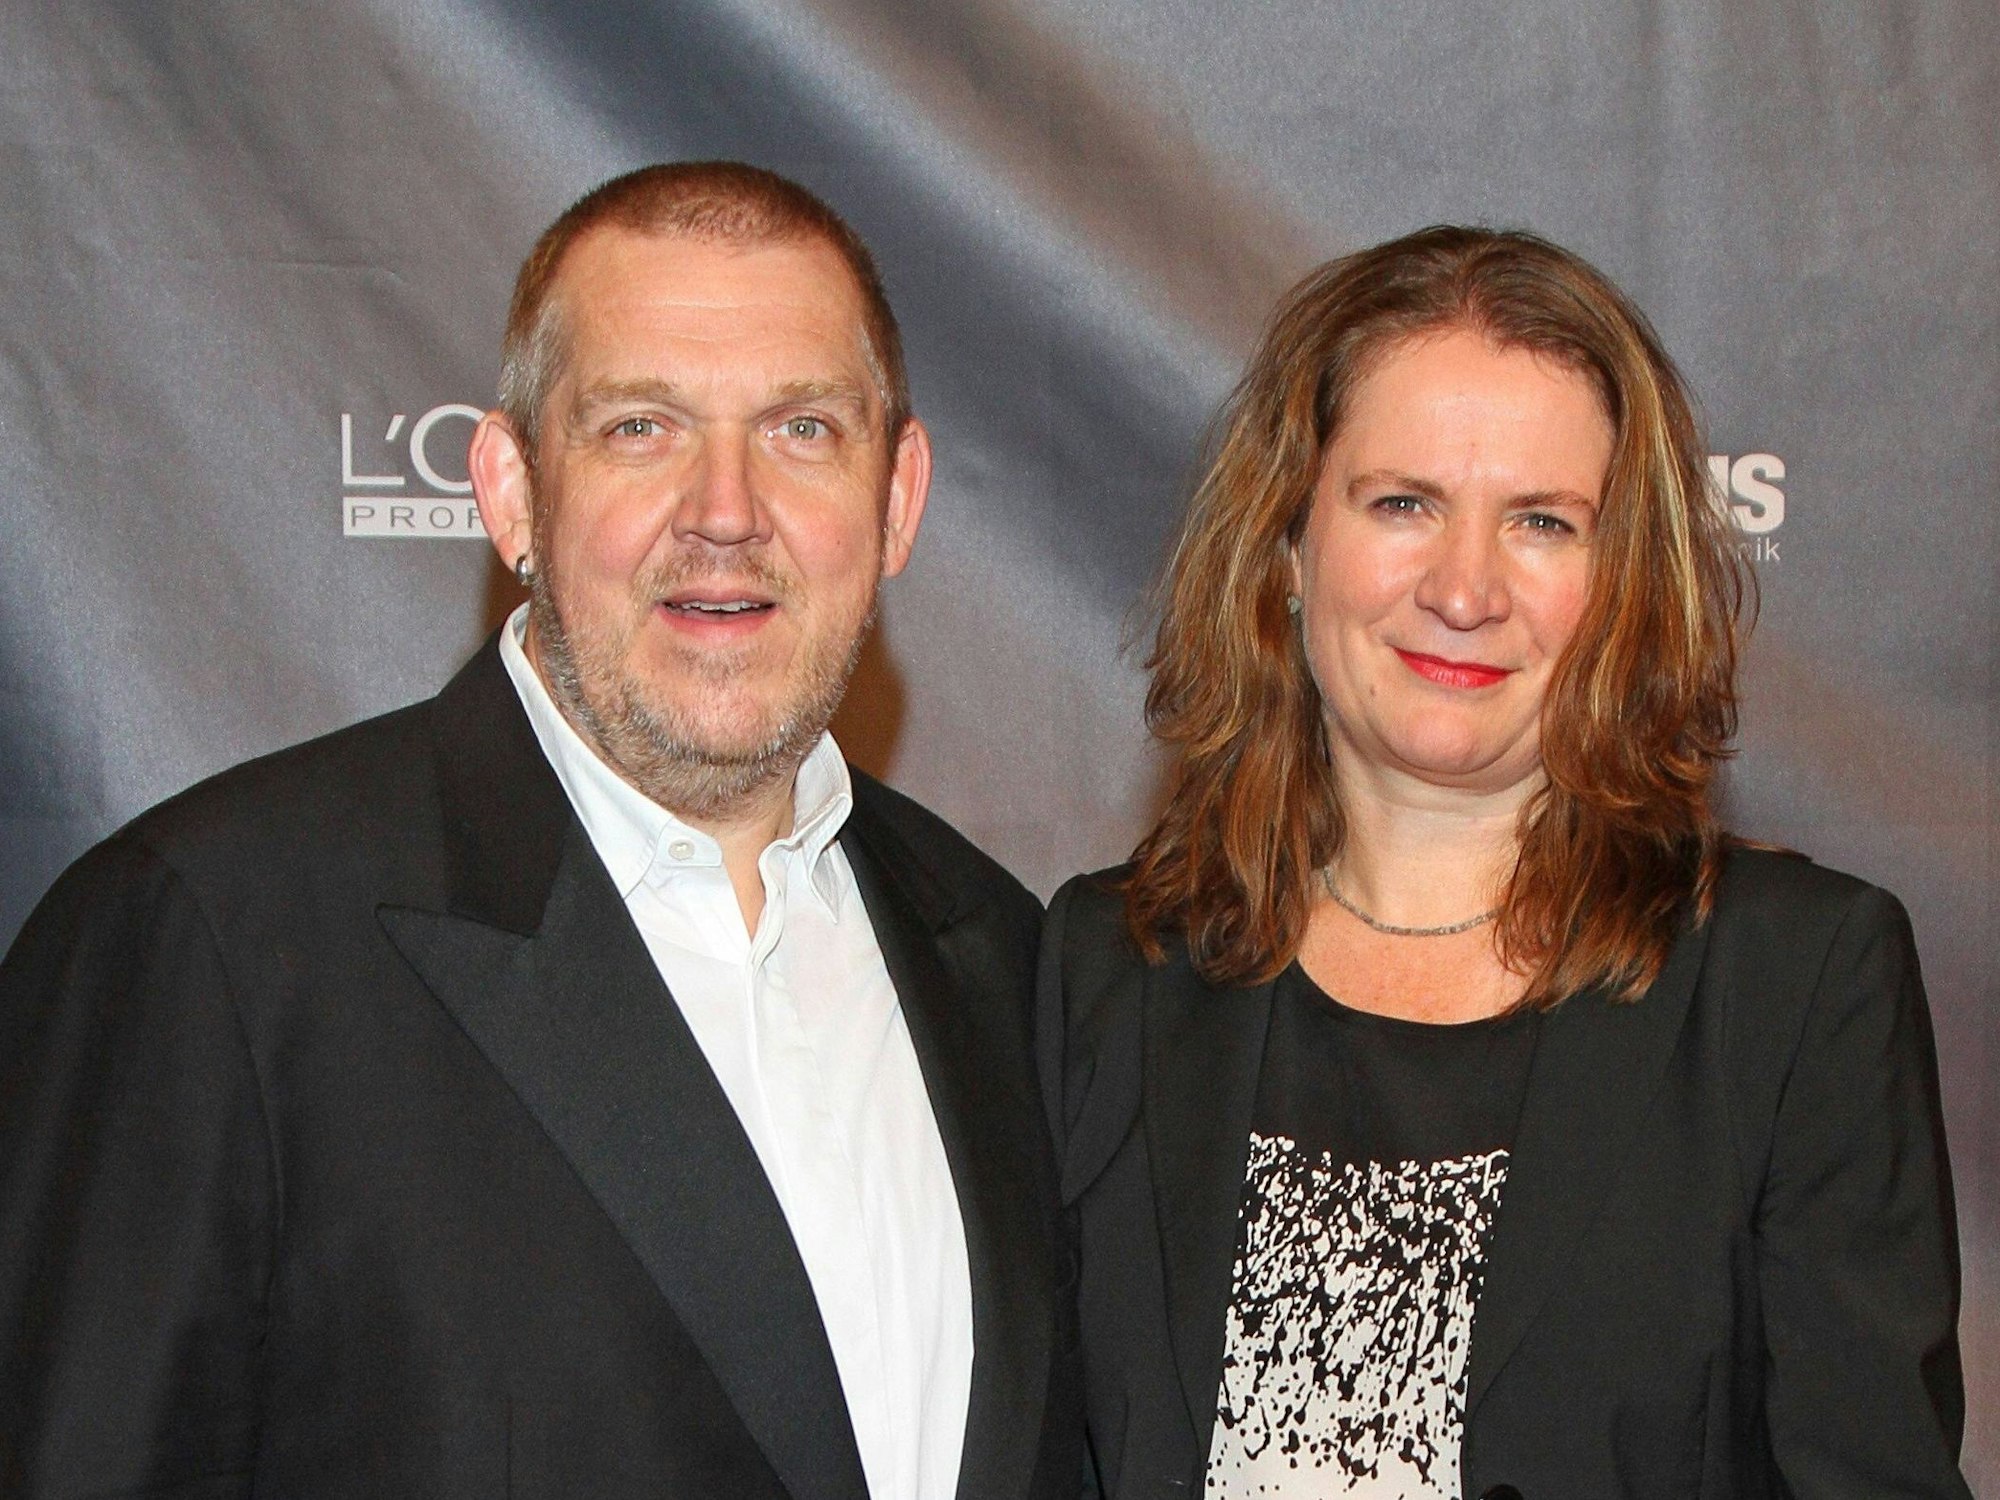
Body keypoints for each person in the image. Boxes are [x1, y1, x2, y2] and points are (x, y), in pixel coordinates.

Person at [0, 162, 1080, 1500]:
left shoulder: (1010, 963)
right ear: (513, 491)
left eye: (801, 429)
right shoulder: (210, 943)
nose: (727, 510)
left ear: (897, 499)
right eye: (641, 427)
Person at [1038, 226, 1969, 1499]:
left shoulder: (1797, 986)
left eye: (1540, 521)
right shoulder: (1102, 968)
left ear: (1627, 583)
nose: (1464, 587)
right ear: (1286, 551)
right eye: (1402, 502)